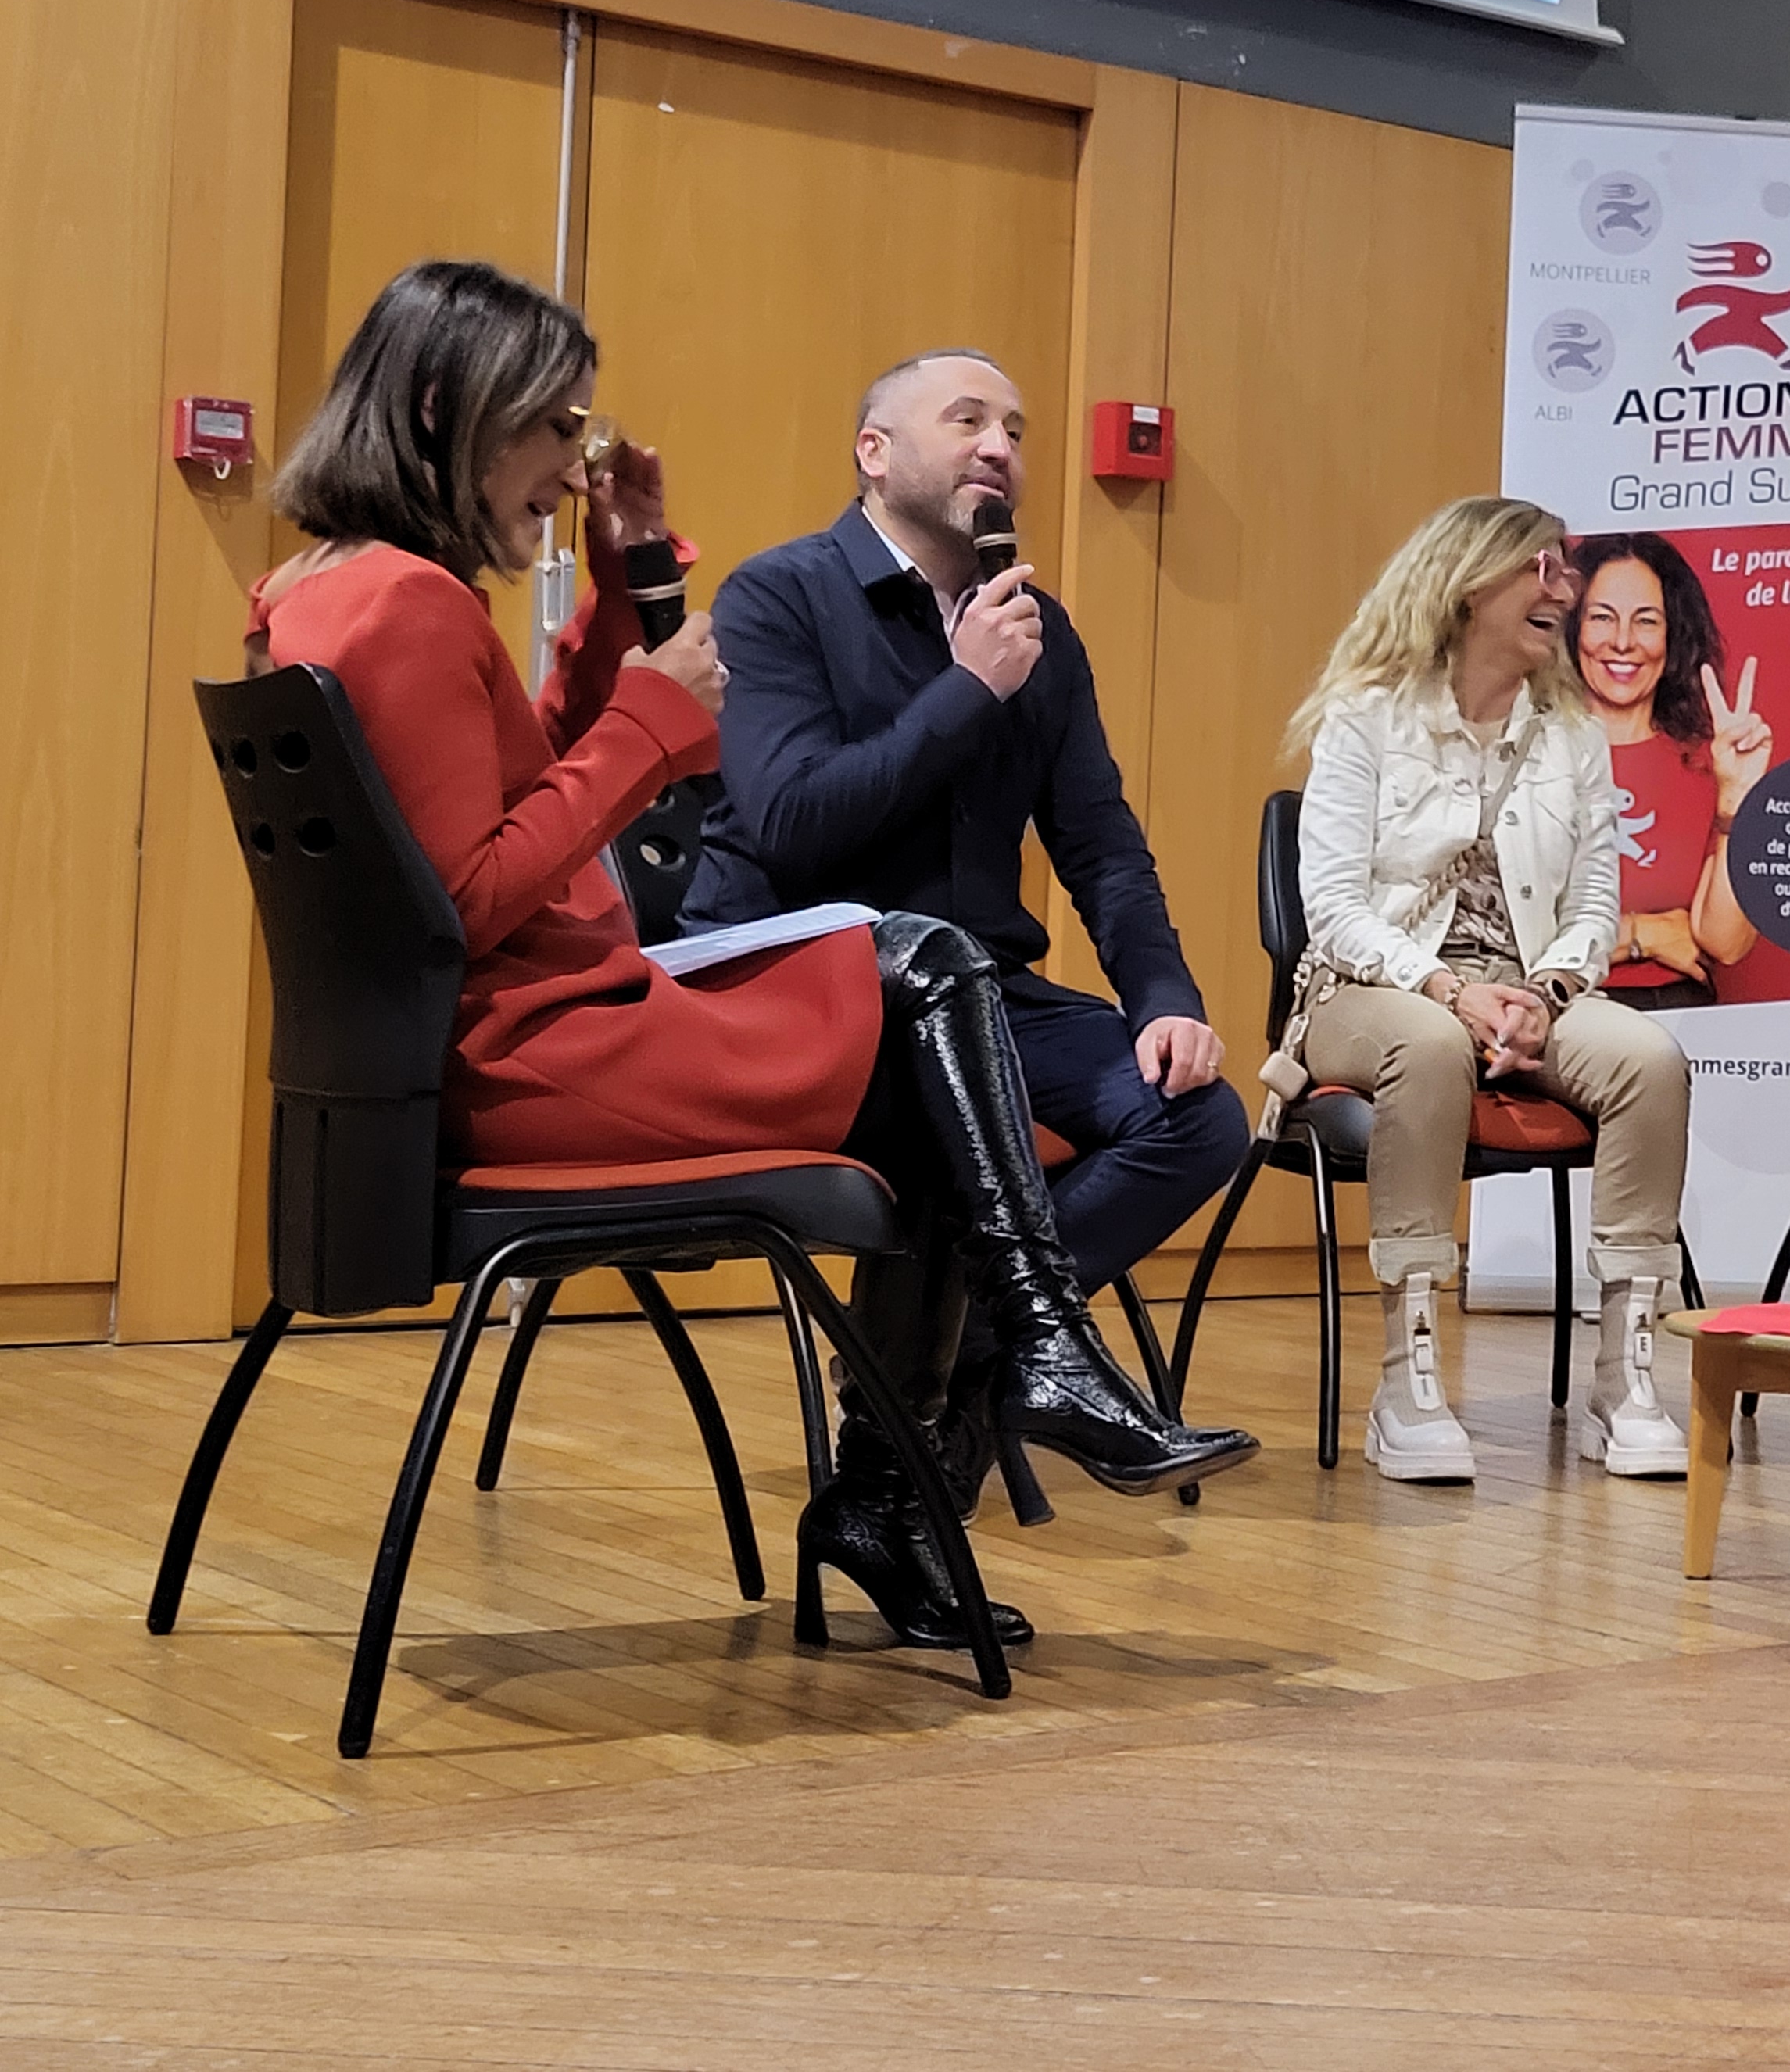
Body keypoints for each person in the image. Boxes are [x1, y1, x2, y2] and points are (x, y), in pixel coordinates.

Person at [251, 263, 1252, 1656]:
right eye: (555, 428)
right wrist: (661, 718)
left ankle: (949, 1432)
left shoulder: (321, 591)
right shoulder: (438, 603)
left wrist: (625, 600)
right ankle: (968, 1424)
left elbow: (504, 787)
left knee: (1049, 1059)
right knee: (928, 995)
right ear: (445, 408)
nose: (571, 466)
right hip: (571, 1041)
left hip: (527, 1034)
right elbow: (482, 893)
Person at [681, 349, 1248, 1514]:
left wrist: (1166, 1000)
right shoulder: (779, 595)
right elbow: (791, 824)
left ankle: (991, 1356)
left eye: (1016, 428)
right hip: (804, 990)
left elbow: (1100, 845)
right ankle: (926, 1450)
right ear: (874, 455)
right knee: (955, 1112)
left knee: (1195, 1117)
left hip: (979, 992)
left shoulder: (1038, 634)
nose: (1001, 445)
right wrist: (964, 692)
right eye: (968, 419)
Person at [1287, 496, 1696, 1484]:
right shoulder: (1366, 718)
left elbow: (1596, 901)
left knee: (1650, 1058)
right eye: (1543, 570)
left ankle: (1624, 1373)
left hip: (1527, 994)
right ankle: (1408, 1375)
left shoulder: (1570, 735)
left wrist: (1546, 992)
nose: (1566, 589)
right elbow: (1332, 906)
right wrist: (1440, 987)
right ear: (1473, 582)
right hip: (1368, 988)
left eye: (1565, 571)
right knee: (1426, 1046)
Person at [1566, 533, 1772, 1007]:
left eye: (1646, 621)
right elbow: (1514, 940)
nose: (1622, 642)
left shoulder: (1711, 761)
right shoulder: (1526, 755)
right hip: (1556, 1015)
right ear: (1570, 626)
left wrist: (1736, 802)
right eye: (1601, 617)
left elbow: (1725, 944)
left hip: (1678, 1017)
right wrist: (1645, 934)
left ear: (1673, 635)